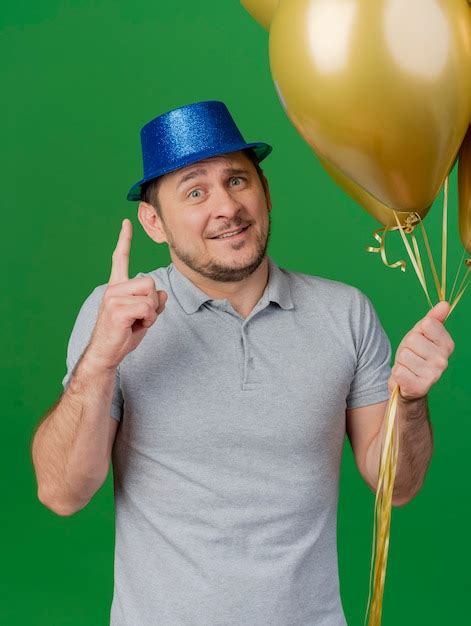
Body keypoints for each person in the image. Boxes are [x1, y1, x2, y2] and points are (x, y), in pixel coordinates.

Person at [31, 100, 454, 626]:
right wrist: (100, 361)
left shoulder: (345, 312)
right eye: (194, 191)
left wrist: (410, 401)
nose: (226, 207)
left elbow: (400, 486)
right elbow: (62, 493)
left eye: (237, 181)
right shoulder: (112, 315)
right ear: (153, 223)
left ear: (266, 194)